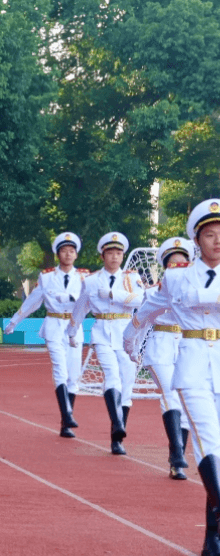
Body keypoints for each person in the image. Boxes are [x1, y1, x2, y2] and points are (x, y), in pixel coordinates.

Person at [123, 200, 220, 555]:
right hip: (192, 365)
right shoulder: (178, 276)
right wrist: (130, 339)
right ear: (197, 239)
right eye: (210, 234)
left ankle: (213, 536)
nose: (218, 240)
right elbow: (147, 310)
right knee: (208, 441)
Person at [4, 233, 88, 437]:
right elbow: (33, 301)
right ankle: (67, 414)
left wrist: (70, 297)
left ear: (76, 255)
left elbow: (89, 300)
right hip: (54, 324)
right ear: (58, 254)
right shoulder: (47, 276)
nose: (68, 254)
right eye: (64, 251)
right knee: (60, 369)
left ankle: (65, 423)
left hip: (74, 326)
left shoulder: (85, 277)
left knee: (73, 375)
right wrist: (15, 321)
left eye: (71, 251)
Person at [67, 232, 143, 455]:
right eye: (110, 253)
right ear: (103, 255)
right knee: (111, 376)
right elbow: (80, 307)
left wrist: (113, 294)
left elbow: (141, 300)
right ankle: (118, 424)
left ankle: (117, 437)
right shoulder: (90, 281)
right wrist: (72, 332)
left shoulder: (131, 278)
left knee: (126, 385)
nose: (115, 257)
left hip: (127, 333)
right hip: (102, 333)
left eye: (119, 253)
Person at [137, 237, 193, 480]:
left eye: (183, 263)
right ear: (166, 267)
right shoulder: (152, 292)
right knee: (170, 394)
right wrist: (134, 349)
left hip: (186, 346)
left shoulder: (197, 292)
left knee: (187, 400)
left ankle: (176, 459)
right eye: (173, 264)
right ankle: (178, 453)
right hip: (159, 347)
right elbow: (141, 321)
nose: (178, 267)